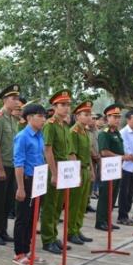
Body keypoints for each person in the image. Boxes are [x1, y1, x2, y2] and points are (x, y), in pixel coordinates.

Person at [40, 90, 76, 255]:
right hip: (52, 168)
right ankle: (47, 239)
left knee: (58, 206)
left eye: (68, 105)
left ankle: (54, 236)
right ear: (54, 106)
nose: (66, 108)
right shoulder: (50, 125)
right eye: (62, 105)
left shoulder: (64, 126)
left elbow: (68, 151)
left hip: (64, 168)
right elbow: (48, 150)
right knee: (50, 205)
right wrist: (54, 173)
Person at [11, 103, 48, 265]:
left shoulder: (40, 135)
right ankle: (19, 253)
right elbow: (18, 163)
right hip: (26, 179)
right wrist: (20, 187)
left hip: (38, 180)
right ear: (29, 118)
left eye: (44, 116)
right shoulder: (22, 136)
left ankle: (28, 250)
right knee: (23, 217)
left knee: (33, 217)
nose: (43, 120)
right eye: (40, 116)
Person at [0, 84, 21, 246]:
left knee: (8, 201)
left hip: (13, 164)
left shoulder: (13, 119)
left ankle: (2, 230)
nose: (17, 101)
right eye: (13, 98)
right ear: (5, 100)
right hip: (2, 166)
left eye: (17, 98)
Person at [67, 101, 95, 245]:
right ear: (77, 116)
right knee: (74, 203)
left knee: (82, 203)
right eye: (86, 114)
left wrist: (91, 170)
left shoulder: (85, 131)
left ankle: (77, 229)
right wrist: (76, 174)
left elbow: (88, 152)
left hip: (85, 169)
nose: (89, 117)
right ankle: (70, 232)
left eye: (90, 114)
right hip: (78, 169)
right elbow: (72, 154)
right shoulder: (74, 132)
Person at [95, 105, 126, 231]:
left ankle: (108, 219)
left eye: (119, 117)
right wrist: (122, 157)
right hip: (107, 169)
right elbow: (104, 152)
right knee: (105, 196)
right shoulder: (104, 134)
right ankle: (100, 221)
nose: (117, 120)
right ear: (108, 117)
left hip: (116, 168)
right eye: (115, 117)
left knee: (113, 195)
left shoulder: (117, 133)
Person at [118, 109, 133, 226]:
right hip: (126, 167)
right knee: (124, 192)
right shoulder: (123, 133)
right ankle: (122, 216)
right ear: (128, 120)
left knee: (130, 193)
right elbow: (127, 151)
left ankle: (126, 214)